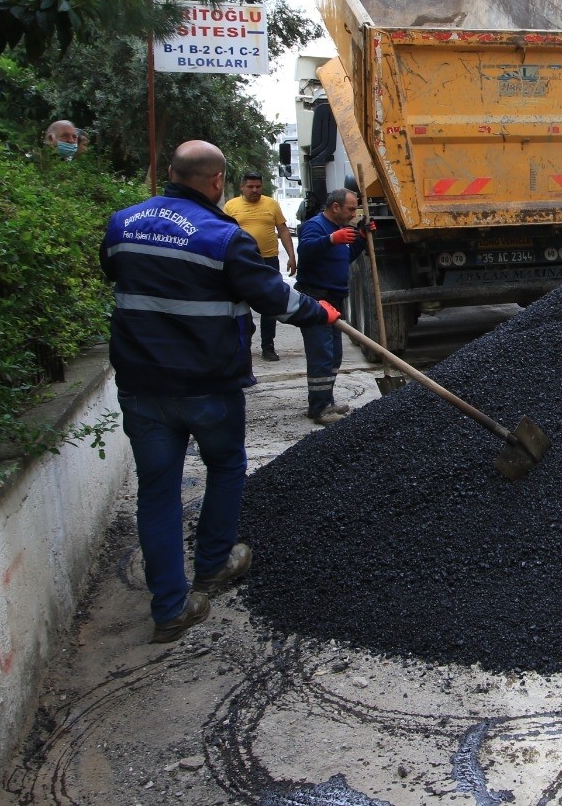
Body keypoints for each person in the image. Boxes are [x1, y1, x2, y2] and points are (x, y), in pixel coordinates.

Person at [100, 141, 340, 643]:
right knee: (227, 465)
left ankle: (170, 607)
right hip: (207, 383)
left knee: (157, 490)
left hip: (142, 384)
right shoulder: (222, 237)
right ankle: (213, 563)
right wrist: (322, 313)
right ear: (217, 182)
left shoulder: (121, 225)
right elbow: (273, 297)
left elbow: (118, 275)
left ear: (170, 172)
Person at [295, 187, 371, 424]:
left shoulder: (340, 229)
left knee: (335, 355)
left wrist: (361, 237)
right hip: (316, 299)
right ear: (335, 207)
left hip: (335, 300)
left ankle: (325, 401)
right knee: (322, 354)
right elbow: (305, 251)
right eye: (350, 209)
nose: (353, 214)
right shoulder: (316, 226)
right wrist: (330, 240)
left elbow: (343, 258)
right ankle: (319, 408)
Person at [224, 171, 299, 362]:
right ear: (242, 187)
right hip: (241, 262)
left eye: (258, 186)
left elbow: (282, 230)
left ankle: (268, 347)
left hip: (268, 261)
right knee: (240, 303)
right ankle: (243, 344)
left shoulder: (271, 204)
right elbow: (223, 233)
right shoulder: (231, 206)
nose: (255, 190)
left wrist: (291, 256)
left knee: (270, 305)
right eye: (250, 187)